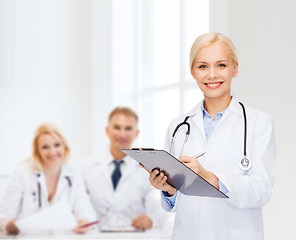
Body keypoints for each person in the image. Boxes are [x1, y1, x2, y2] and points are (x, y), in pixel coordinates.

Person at [148, 33, 276, 240]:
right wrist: (167, 189)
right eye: (203, 66)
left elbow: (262, 190)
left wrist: (210, 178)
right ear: (193, 72)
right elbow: (175, 201)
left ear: (235, 68)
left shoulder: (258, 122)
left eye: (221, 65)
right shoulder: (178, 127)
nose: (212, 75)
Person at [81, 107, 170, 231]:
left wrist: (151, 221)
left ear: (136, 133)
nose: (122, 134)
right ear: (107, 131)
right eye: (117, 127)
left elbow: (160, 210)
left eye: (128, 128)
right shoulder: (86, 167)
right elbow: (79, 206)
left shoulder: (147, 170)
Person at [0, 123, 96, 235]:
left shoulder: (74, 175)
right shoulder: (22, 174)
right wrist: (8, 224)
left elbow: (85, 211)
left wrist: (84, 221)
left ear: (64, 146)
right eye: (45, 147)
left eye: (57, 145)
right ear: (37, 151)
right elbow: (3, 214)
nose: (52, 152)